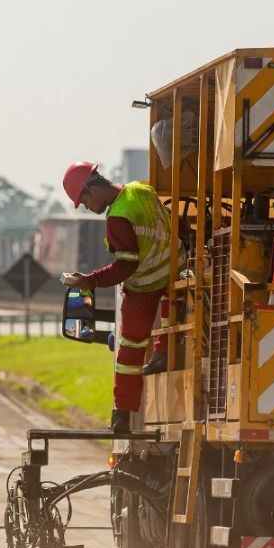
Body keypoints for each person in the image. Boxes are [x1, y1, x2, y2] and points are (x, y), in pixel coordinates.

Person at [60, 161, 173, 434]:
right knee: (172, 318)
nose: (86, 206)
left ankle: (122, 414)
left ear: (92, 188)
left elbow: (126, 265)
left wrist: (90, 281)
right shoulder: (142, 191)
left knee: (129, 350)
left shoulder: (117, 218)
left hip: (145, 285)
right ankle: (162, 349)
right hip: (175, 274)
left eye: (83, 200)